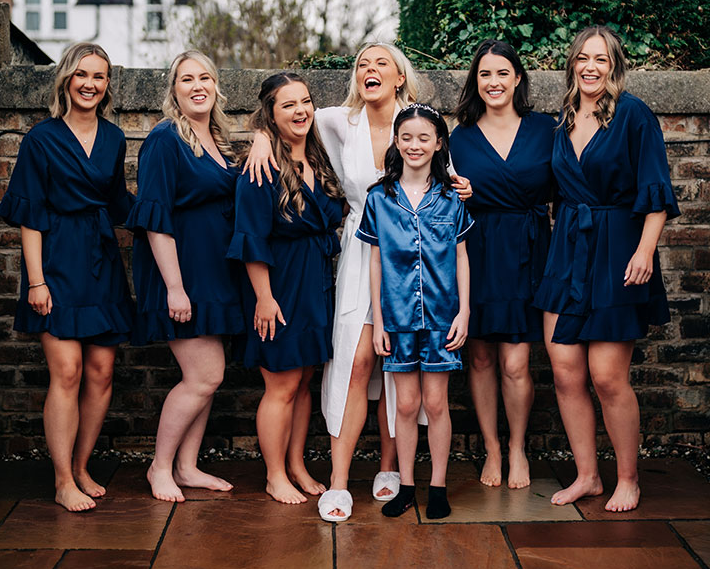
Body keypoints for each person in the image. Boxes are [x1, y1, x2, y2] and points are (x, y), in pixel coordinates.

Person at [246, 43, 472, 521]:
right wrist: (261, 137)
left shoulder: (417, 125)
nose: (370, 70)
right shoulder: (339, 121)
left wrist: (463, 186)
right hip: (360, 251)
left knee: (397, 364)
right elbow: (289, 116)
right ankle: (339, 480)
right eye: (363, 64)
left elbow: (445, 180)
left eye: (380, 64)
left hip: (415, 262)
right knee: (355, 359)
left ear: (399, 76)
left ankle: (392, 469)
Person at [533, 26, 680, 512]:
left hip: (619, 250)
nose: (590, 67)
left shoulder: (633, 114)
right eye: (583, 58)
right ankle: (588, 476)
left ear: (614, 65)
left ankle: (628, 479)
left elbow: (656, 190)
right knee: (564, 372)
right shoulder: (562, 119)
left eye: (600, 59)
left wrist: (645, 251)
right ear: (572, 64)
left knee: (608, 377)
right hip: (567, 251)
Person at [0, 42, 133, 512]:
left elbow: (119, 203)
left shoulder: (114, 138)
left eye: (99, 76)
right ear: (66, 80)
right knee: (68, 371)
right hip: (57, 261)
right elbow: (29, 216)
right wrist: (36, 282)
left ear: (107, 85)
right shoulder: (41, 139)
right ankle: (61, 480)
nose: (90, 84)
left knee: (101, 372)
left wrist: (173, 213)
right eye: (82, 74)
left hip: (101, 262)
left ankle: (80, 466)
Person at [127, 50, 244, 503]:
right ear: (173, 91)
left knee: (209, 377)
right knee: (204, 375)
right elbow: (155, 219)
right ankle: (160, 467)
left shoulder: (216, 138)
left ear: (216, 86)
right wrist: (175, 288)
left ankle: (188, 466)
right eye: (187, 79)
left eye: (205, 78)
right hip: (181, 274)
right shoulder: (165, 139)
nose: (198, 86)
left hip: (214, 272)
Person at [228, 72, 345, 505]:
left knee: (305, 378)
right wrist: (264, 297)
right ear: (271, 114)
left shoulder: (320, 156)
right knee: (281, 384)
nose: (301, 111)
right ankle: (274, 474)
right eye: (288, 105)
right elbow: (250, 237)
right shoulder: (261, 167)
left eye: (306, 101)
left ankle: (296, 464)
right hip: (278, 285)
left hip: (315, 282)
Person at [356, 103, 473, 521]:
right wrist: (378, 322)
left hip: (442, 317)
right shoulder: (379, 198)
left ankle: (438, 487)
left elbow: (461, 257)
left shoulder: (452, 197)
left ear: (439, 143)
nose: (414, 145)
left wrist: (464, 312)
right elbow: (375, 261)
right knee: (405, 405)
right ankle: (406, 487)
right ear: (396, 141)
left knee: (436, 404)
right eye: (406, 137)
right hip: (398, 317)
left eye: (424, 137)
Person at [449, 39, 555, 489]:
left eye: (502, 73)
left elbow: (567, 185)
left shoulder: (546, 128)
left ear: (517, 79)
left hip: (528, 249)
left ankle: (517, 447)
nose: (493, 82)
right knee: (479, 359)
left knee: (515, 362)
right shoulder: (459, 137)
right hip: (477, 250)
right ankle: (491, 447)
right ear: (476, 81)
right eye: (484, 74)